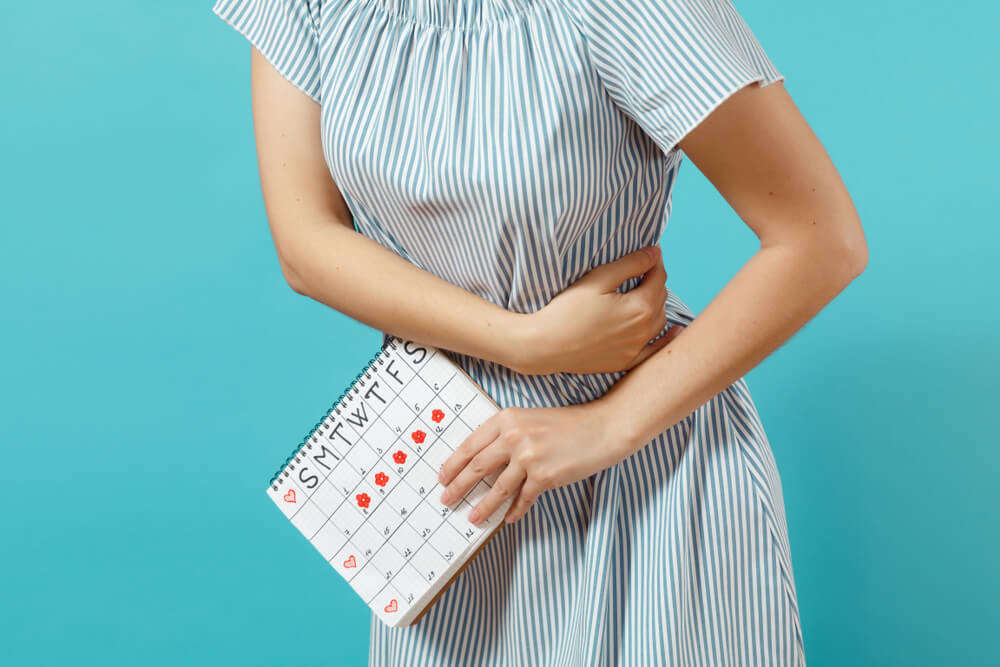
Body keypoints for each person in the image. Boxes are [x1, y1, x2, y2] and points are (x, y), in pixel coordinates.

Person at [212, 0, 866, 664]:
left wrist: (605, 427)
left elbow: (821, 239)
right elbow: (305, 242)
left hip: (645, 471)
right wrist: (520, 340)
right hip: (450, 471)